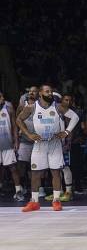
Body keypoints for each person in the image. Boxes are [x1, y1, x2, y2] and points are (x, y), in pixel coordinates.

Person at [17, 84, 78, 212]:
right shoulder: (32, 107)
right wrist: (28, 134)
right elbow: (19, 119)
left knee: (55, 172)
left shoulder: (58, 106)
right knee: (35, 174)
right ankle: (34, 202)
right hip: (39, 144)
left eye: (51, 91)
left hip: (54, 143)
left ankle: (56, 200)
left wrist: (66, 132)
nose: (50, 93)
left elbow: (75, 117)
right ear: (40, 93)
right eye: (47, 91)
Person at [45, 92, 80, 202]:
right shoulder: (45, 110)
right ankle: (58, 192)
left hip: (62, 143)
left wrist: (67, 138)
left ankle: (68, 192)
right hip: (50, 143)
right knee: (55, 169)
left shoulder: (61, 109)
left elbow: (73, 121)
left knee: (65, 167)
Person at [0, 91, 23, 202]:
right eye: (0, 97)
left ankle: (18, 191)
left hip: (7, 144)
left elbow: (14, 126)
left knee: (13, 167)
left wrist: (16, 141)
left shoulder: (8, 108)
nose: (2, 98)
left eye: (2, 96)